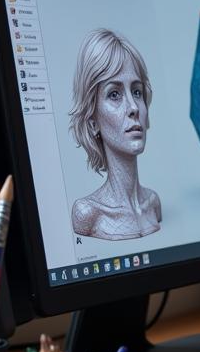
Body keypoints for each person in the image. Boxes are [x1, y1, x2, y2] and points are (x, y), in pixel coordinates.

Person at [69, 28, 162, 240]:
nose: (133, 107)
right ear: (93, 122)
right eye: (114, 94)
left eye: (137, 92)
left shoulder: (153, 203)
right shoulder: (87, 213)